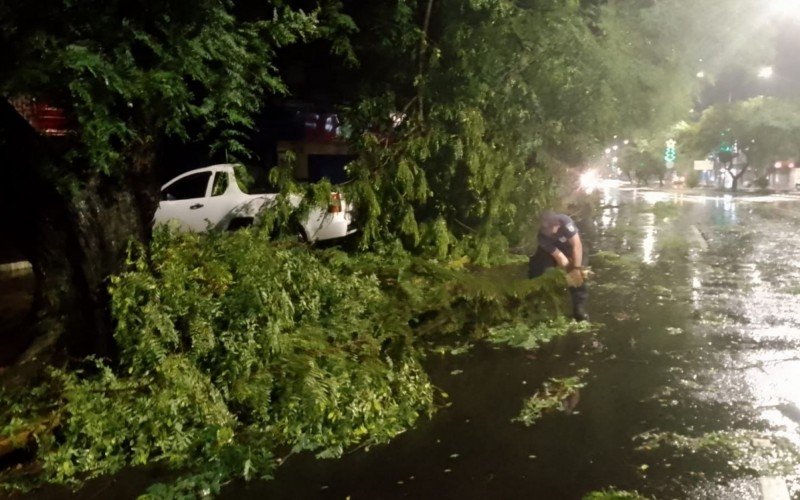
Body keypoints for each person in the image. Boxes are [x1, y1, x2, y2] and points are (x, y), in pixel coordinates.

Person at [528, 211, 588, 321]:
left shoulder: (565, 222)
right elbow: (560, 257)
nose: (547, 232)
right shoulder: (542, 236)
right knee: (536, 265)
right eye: (545, 230)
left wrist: (575, 269)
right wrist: (566, 270)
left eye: (549, 229)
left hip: (572, 249)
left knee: (577, 276)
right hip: (556, 251)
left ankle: (578, 308)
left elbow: (577, 245)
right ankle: (534, 299)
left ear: (557, 225)